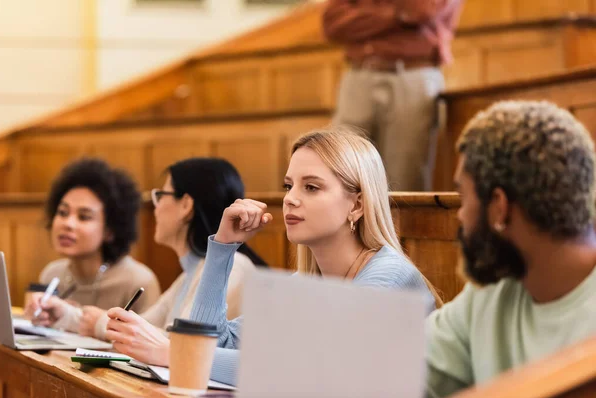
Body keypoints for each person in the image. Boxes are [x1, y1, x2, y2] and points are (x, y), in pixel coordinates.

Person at [106, 126, 440, 379]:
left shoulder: (390, 275)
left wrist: (177, 354)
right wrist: (222, 247)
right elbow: (219, 341)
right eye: (288, 185)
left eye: (311, 187)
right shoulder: (304, 284)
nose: (291, 198)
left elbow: (308, 372)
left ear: (357, 203)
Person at [425, 101, 596, 398]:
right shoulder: (491, 289)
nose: (460, 216)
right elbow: (396, 373)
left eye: (464, 199)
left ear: (499, 207)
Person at [84, 158, 264, 345]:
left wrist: (100, 322)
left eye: (161, 195)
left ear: (186, 205)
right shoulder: (188, 275)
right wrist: (84, 317)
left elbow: (182, 343)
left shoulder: (232, 266)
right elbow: (146, 324)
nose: (156, 207)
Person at [323, 0, 464, 191]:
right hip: (359, 76)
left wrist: (367, 10)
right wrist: (395, 15)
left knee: (404, 184)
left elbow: (422, 9)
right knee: (341, 171)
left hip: (412, 77)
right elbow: (332, 22)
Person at [24, 158, 160, 332]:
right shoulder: (53, 274)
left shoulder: (138, 280)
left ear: (110, 230)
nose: (68, 224)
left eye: (84, 216)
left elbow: (149, 343)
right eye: (63, 213)